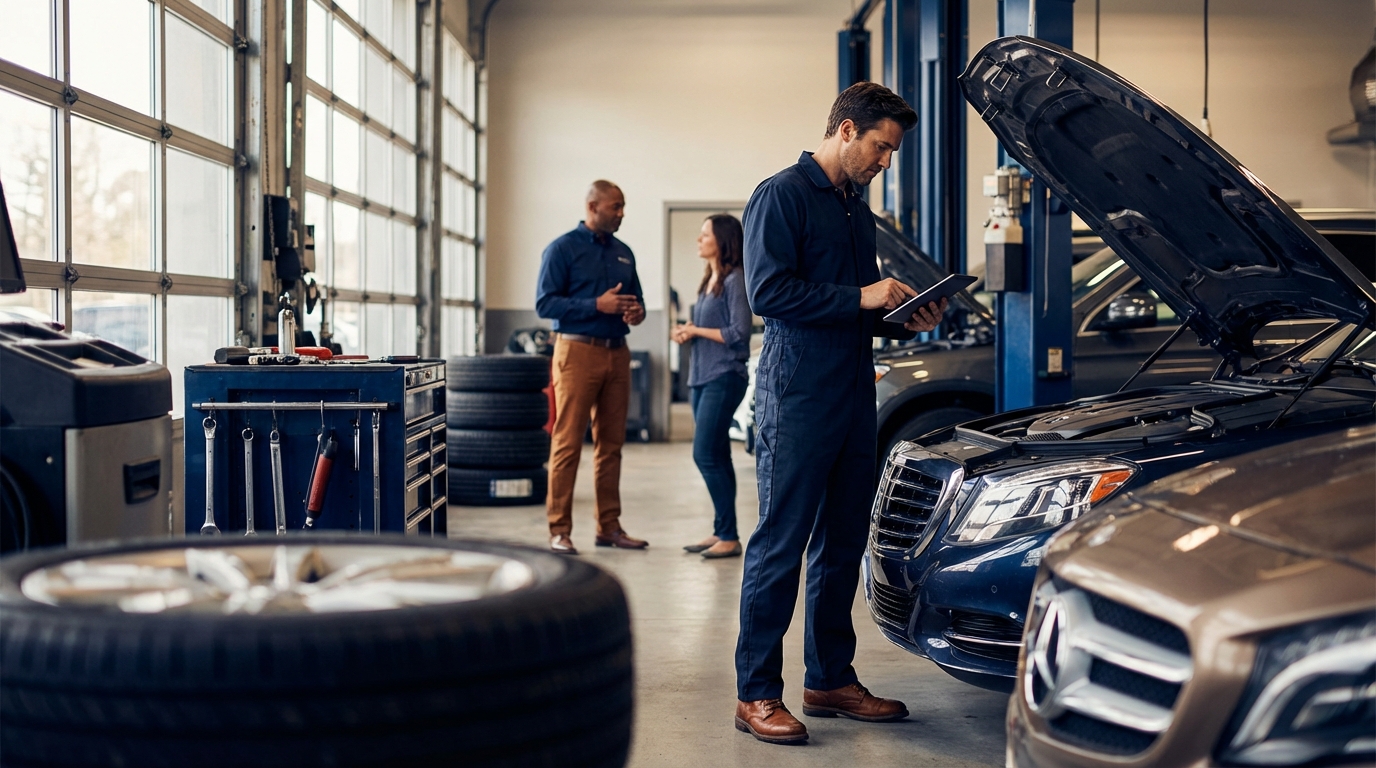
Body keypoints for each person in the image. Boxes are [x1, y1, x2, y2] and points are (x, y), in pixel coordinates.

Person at [733, 82, 947, 745]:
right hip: (797, 390)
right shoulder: (781, 195)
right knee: (782, 541)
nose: (885, 161)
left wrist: (904, 320)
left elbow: (859, 308)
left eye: (893, 152)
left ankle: (829, 678)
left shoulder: (857, 210)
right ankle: (755, 692)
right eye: (881, 147)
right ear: (847, 130)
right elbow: (769, 293)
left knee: (842, 542)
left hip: (854, 388)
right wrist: (863, 297)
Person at [535, 180, 649, 555]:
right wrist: (595, 305)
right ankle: (559, 530)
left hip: (618, 353)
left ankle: (609, 527)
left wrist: (636, 312)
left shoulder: (624, 253)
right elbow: (545, 304)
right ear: (592, 207)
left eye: (623, 206)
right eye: (615, 206)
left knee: (611, 445)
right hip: (577, 352)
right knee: (568, 442)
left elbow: (637, 301)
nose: (621, 213)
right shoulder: (561, 249)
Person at [672, 214, 751, 560]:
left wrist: (695, 331)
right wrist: (687, 331)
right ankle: (723, 531)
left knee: (704, 453)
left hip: (724, 375)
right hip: (701, 377)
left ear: (723, 240)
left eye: (705, 234)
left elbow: (738, 333)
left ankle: (729, 535)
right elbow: (712, 328)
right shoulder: (710, 279)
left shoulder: (735, 279)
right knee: (717, 454)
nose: (699, 239)